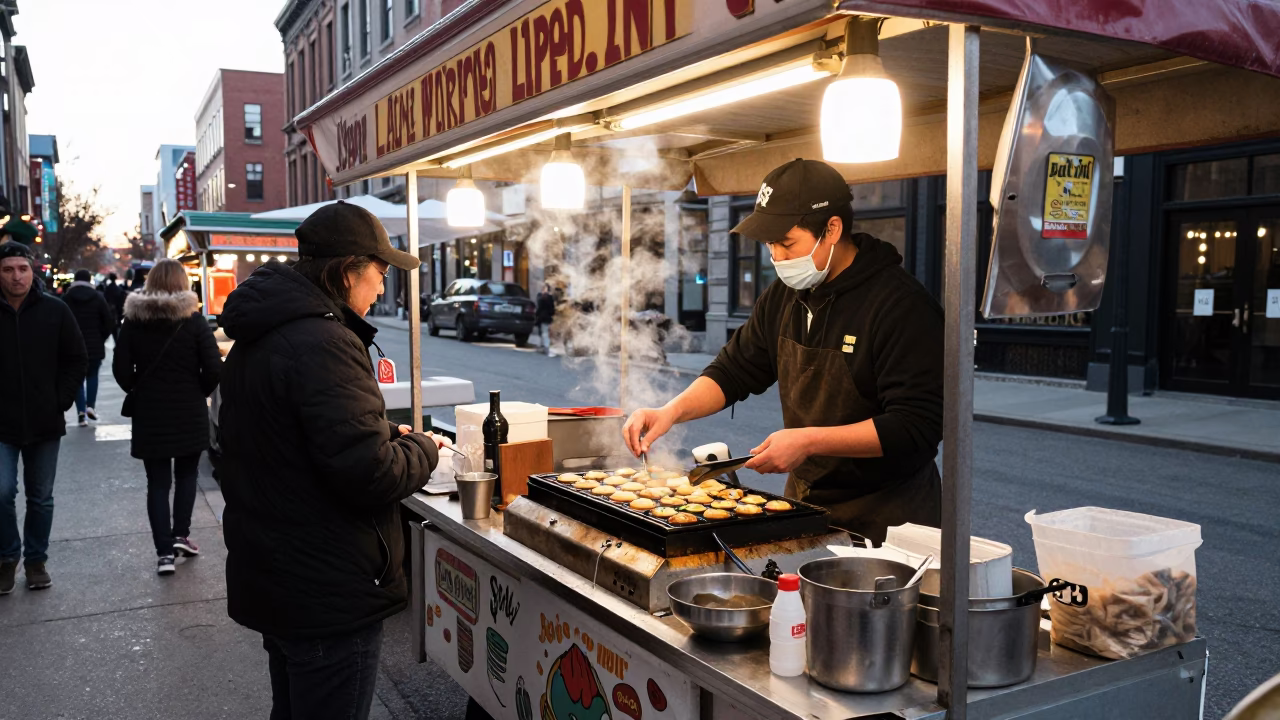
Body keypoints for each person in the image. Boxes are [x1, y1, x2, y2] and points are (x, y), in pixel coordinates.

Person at [623, 159, 944, 544]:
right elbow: (734, 369)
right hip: (806, 506)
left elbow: (916, 425)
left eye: (786, 243)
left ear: (832, 229)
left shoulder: (900, 306)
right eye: (770, 244)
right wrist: (670, 411)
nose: (777, 256)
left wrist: (808, 441)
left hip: (889, 518)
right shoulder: (784, 296)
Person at [217, 201, 441, 720]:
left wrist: (384, 431)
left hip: (279, 571)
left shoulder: (270, 330)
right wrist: (424, 449)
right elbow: (373, 473)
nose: (383, 289)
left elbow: (291, 433)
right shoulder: (324, 341)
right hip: (325, 587)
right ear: (347, 272)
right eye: (380, 274)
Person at [112, 259, 222, 575]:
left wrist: (139, 389)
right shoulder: (195, 321)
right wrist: (197, 390)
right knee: (186, 476)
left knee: (157, 483)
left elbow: (121, 369)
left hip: (150, 414)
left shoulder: (133, 322)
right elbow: (214, 368)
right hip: (188, 410)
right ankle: (180, 535)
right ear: (182, 283)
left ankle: (163, 554)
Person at [0, 242, 87, 593]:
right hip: (1, 424)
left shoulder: (55, 310)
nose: (16, 276)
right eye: (7, 269)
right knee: (1, 492)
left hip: (44, 420)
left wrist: (60, 400)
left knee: (41, 496)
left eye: (22, 268)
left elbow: (76, 358)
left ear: (32, 270)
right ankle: (7, 557)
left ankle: (36, 560)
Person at [64, 269, 116, 426]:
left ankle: (81, 412)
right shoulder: (98, 297)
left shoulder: (67, 298)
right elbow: (108, 321)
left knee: (77, 379)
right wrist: (101, 337)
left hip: (72, 346)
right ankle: (90, 406)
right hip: (94, 345)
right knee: (92, 375)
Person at [101, 272, 126, 342]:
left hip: (108, 314)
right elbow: (121, 305)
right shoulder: (119, 290)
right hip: (116, 316)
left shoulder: (106, 289)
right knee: (116, 337)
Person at [534, 282, 557, 357]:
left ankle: (544, 347)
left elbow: (539, 308)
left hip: (542, 317)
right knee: (545, 332)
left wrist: (536, 314)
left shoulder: (541, 297)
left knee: (543, 332)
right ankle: (543, 346)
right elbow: (552, 309)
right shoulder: (550, 298)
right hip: (547, 317)